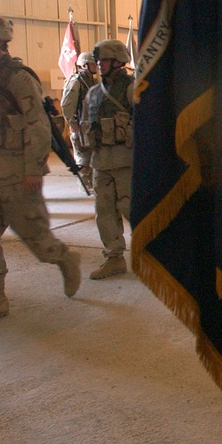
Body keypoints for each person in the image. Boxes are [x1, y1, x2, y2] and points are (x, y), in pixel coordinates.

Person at [0, 13, 81, 327]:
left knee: (34, 235)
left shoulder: (19, 78)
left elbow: (38, 126)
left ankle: (63, 257)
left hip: (15, 171)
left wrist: (34, 168)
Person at [83, 40, 135, 279]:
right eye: (98, 61)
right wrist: (84, 158)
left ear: (117, 61)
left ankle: (156, 253)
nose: (99, 65)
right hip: (100, 161)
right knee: (103, 211)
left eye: (103, 60)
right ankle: (114, 258)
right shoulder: (93, 93)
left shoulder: (132, 89)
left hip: (126, 160)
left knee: (132, 209)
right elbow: (86, 126)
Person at [60, 51, 98, 193]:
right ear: (85, 65)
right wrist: (72, 124)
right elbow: (66, 105)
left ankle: (92, 184)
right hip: (80, 126)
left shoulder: (92, 81)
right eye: (93, 64)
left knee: (92, 158)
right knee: (83, 160)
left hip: (91, 126)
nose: (96, 66)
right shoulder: (77, 82)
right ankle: (85, 185)